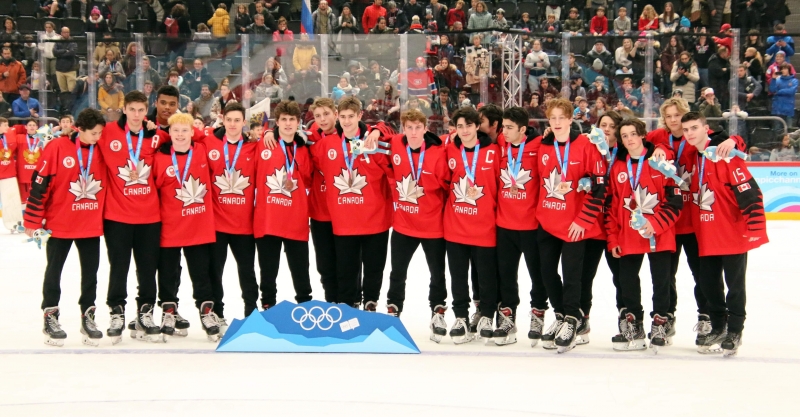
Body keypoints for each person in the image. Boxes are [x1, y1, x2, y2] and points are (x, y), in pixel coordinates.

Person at [681, 111, 768, 356]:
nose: (689, 134)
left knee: (735, 286)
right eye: (686, 129)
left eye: (694, 128)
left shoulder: (724, 155)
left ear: (705, 128)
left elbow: (750, 192)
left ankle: (735, 330)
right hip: (706, 235)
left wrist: (754, 229)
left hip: (731, 234)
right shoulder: (693, 156)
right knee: (709, 285)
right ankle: (718, 327)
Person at [24, 108, 108, 347]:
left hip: (90, 225)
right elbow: (39, 184)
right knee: (54, 271)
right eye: (94, 133)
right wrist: (31, 219)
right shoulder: (57, 148)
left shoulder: (100, 149)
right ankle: (50, 316)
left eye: (100, 133)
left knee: (91, 273)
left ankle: (88, 316)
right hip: (59, 223)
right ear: (79, 129)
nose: (98, 138)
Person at [534, 98, 606, 353]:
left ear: (570, 118)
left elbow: (598, 187)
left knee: (573, 275)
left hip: (576, 224)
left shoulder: (586, 144)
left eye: (561, 118)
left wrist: (583, 220)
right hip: (547, 220)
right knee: (546, 273)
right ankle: (562, 314)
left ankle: (573, 319)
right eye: (552, 118)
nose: (556, 123)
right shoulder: (544, 145)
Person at [606, 118, 683, 352]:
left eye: (633, 134)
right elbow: (612, 205)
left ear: (642, 136)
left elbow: (675, 201)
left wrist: (656, 224)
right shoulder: (618, 166)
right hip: (628, 234)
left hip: (659, 232)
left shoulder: (661, 162)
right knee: (627, 280)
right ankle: (634, 325)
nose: (629, 139)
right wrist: (613, 238)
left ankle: (660, 323)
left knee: (662, 281)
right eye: (625, 135)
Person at [152, 112, 221, 342]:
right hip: (170, 227)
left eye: (185, 131)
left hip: (198, 227)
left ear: (192, 133)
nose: (180, 135)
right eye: (175, 131)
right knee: (169, 274)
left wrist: (193, 128)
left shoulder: (201, 150)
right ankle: (169, 311)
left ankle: (206, 312)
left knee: (201, 273)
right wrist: (162, 136)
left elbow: (212, 137)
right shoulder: (160, 157)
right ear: (168, 133)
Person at [383, 109, 449, 323]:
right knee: (397, 272)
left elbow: (447, 186)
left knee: (437, 273)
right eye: (409, 128)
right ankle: (394, 307)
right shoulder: (395, 144)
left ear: (425, 129)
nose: (413, 132)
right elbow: (378, 131)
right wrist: (375, 130)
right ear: (403, 129)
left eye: (418, 128)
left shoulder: (437, 152)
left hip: (433, 226)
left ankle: (437, 309)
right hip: (404, 224)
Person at [443, 106, 499, 344]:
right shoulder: (450, 151)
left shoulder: (494, 152)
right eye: (460, 126)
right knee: (458, 277)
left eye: (469, 125)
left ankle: (487, 315)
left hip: (485, 226)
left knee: (486, 276)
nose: (464, 130)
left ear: (478, 126)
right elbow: (445, 182)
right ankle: (461, 317)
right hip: (455, 226)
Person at [252, 100, 314, 312]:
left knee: (301, 271)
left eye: (292, 120)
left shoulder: (305, 150)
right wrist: (267, 132)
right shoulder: (263, 144)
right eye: (283, 120)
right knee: (268, 271)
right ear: (276, 122)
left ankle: (305, 308)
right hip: (268, 219)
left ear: (298, 122)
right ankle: (268, 307)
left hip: (295, 219)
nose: (288, 124)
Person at [493, 106, 546, 346]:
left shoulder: (538, 146)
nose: (504, 131)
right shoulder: (501, 143)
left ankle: (538, 315)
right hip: (504, 225)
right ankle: (507, 318)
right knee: (506, 275)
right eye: (504, 126)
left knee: (538, 275)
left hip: (531, 226)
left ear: (523, 129)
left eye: (510, 128)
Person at [203, 102, 258, 325]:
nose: (233, 124)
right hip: (217, 222)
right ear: (222, 120)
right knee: (215, 271)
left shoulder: (254, 147)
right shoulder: (208, 142)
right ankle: (217, 313)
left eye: (237, 120)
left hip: (244, 224)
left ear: (244, 122)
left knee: (247, 271)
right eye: (229, 120)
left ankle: (251, 313)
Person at [0, 117, 22, 232]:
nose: (7, 127)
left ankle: (14, 222)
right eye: (5, 125)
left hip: (8, 173)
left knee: (11, 200)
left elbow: (26, 128)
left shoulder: (10, 133)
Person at [769, 63, 798, 133]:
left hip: (788, 109)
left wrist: (779, 92)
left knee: (789, 132)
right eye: (781, 69)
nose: (783, 70)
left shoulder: (794, 81)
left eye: (785, 69)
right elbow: (772, 90)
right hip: (777, 109)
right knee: (777, 131)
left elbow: (791, 91)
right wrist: (773, 79)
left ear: (789, 70)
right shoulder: (777, 80)